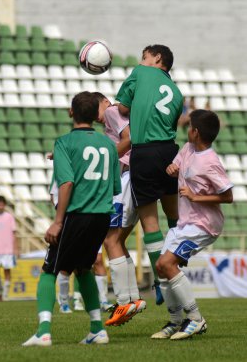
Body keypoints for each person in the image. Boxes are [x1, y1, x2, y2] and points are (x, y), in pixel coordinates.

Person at [22, 91, 121, 347]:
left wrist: (57, 220)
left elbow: (66, 182)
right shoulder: (109, 145)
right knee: (83, 269)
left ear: (71, 113)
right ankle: (98, 329)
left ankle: (43, 331)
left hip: (77, 215)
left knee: (49, 270)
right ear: (95, 116)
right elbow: (114, 187)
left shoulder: (64, 142)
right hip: (102, 216)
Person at [151, 109, 233, 341]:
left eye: (190, 126)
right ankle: (175, 321)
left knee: (167, 263)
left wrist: (197, 197)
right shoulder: (187, 149)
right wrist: (171, 168)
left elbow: (228, 196)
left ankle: (196, 319)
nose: (187, 129)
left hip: (204, 225)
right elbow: (175, 166)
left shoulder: (210, 161)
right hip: (185, 222)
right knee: (161, 267)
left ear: (195, 132)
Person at [116, 44, 183, 304]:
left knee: (150, 223)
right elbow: (172, 121)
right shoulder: (177, 92)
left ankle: (162, 280)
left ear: (157, 58)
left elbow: (122, 108)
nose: (141, 59)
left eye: (145, 56)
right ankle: (176, 265)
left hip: (143, 151)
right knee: (174, 216)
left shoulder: (141, 72)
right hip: (169, 152)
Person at [94, 92, 146, 327]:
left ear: (104, 102)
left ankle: (123, 301)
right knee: (119, 240)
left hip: (128, 177)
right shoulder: (111, 118)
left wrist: (106, 157)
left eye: (95, 111)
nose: (96, 119)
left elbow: (130, 138)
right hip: (133, 176)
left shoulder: (113, 112)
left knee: (110, 239)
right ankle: (133, 298)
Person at [50, 178, 112, 314]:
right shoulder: (63, 167)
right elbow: (54, 193)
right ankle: (65, 301)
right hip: (72, 221)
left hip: (92, 219)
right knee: (67, 264)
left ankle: (103, 300)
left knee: (97, 260)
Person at [0, 196, 18, 301]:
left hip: (8, 249)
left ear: (4, 205)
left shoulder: (9, 217)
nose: (0, 205)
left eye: (1, 203)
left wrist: (16, 248)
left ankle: (5, 295)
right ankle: (0, 290)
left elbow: (14, 233)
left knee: (7, 271)